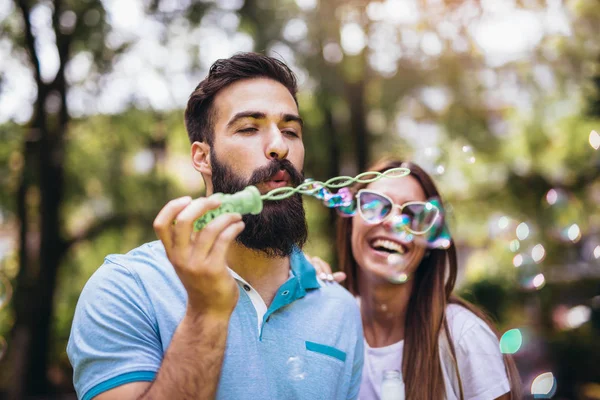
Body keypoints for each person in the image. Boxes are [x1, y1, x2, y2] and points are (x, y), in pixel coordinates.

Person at [67, 53, 363, 400]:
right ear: (202, 157)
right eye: (249, 128)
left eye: (290, 131)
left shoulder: (339, 308)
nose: (279, 146)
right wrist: (206, 311)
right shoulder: (127, 289)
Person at [310, 158, 522, 400]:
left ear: (429, 243)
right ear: (350, 222)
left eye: (413, 214)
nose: (393, 222)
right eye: (376, 204)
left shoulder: (463, 336)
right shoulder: (330, 328)